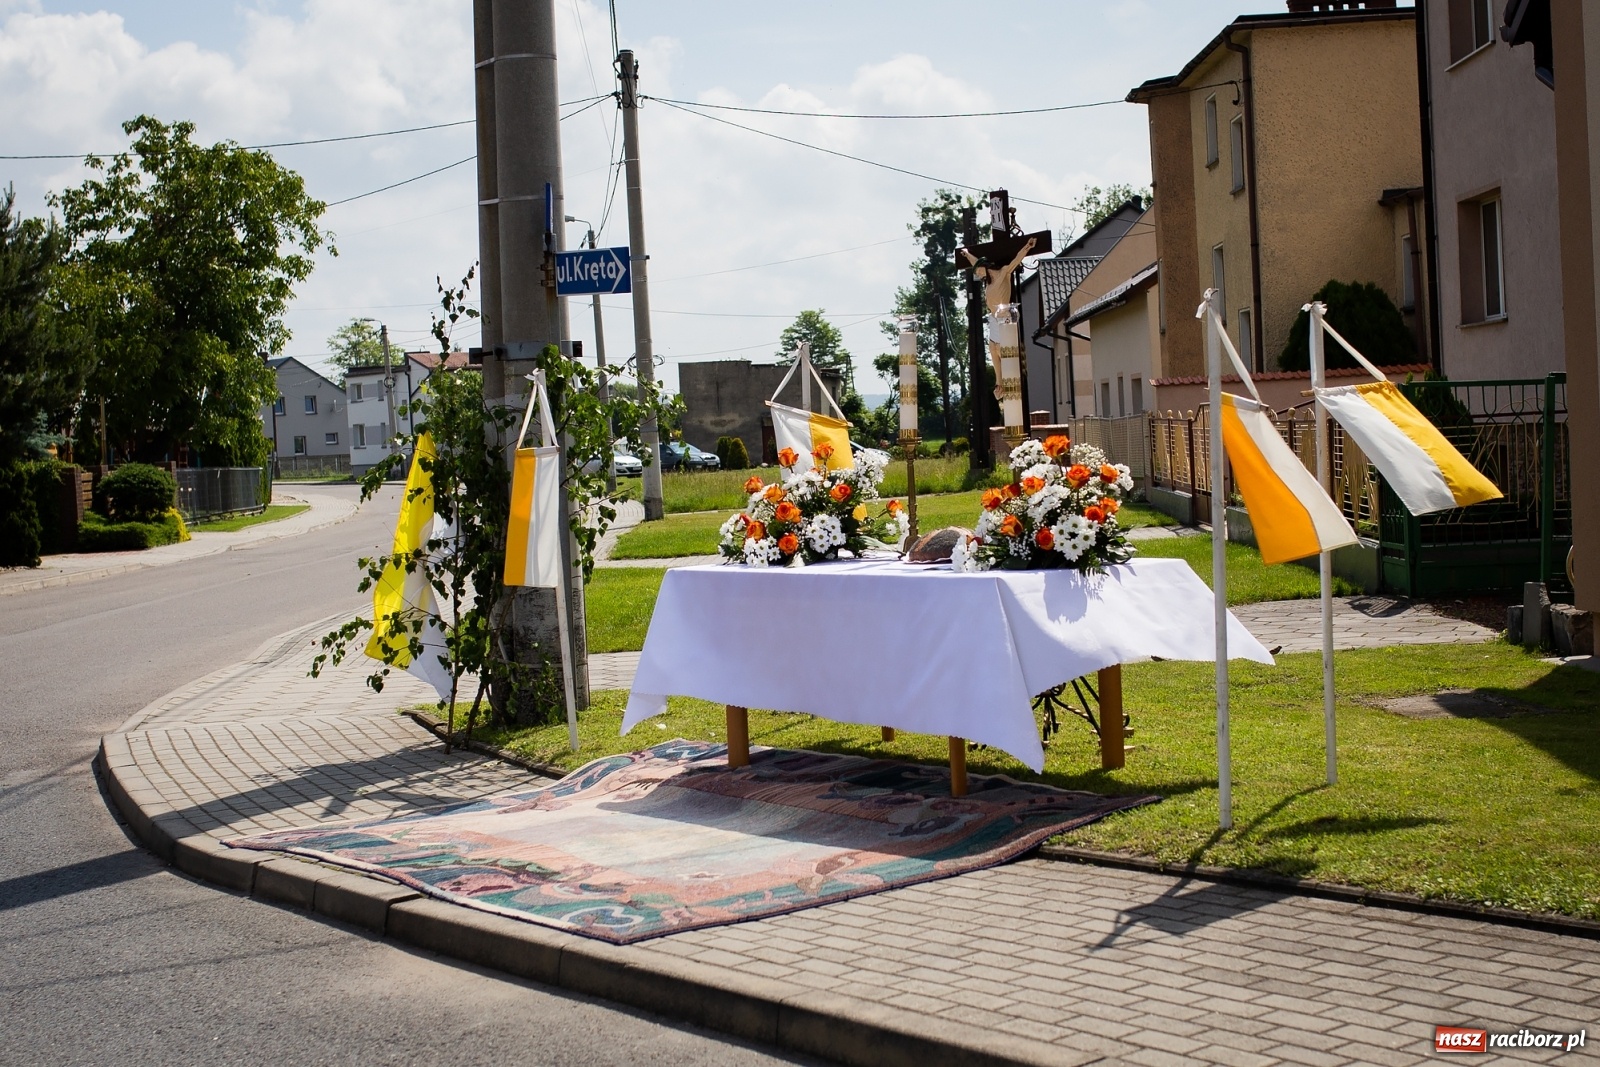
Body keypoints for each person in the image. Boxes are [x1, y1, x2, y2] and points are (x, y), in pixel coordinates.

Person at [959, 236, 1037, 391]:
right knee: (993, 349)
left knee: (1002, 349)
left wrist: (1028, 246)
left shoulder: (1003, 273)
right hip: (994, 318)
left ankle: (1009, 380)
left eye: (980, 271)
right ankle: (999, 382)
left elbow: (1016, 260)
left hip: (1006, 316)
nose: (979, 274)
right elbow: (976, 263)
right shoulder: (988, 283)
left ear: (986, 268)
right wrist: (967, 254)